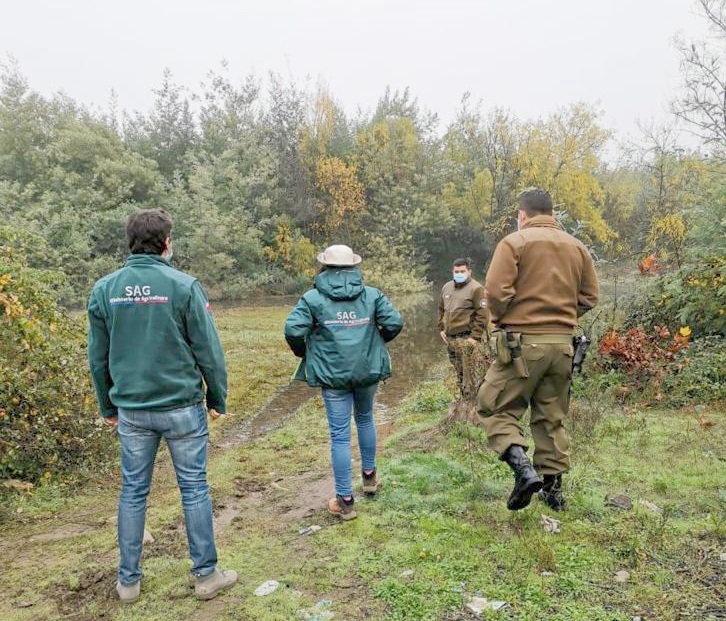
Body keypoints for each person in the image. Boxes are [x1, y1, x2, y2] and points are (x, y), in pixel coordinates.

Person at [87, 209, 237, 604]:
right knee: (193, 488)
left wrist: (107, 404)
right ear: (167, 243)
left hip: (132, 411)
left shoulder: (105, 290)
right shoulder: (184, 285)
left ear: (130, 243)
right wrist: (216, 398)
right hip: (182, 408)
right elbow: (209, 350)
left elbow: (97, 357)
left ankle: (128, 582)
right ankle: (206, 576)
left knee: (133, 491)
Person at [476, 189, 599, 512]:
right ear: (553, 212)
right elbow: (589, 296)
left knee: (495, 407)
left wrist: (503, 320)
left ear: (522, 214)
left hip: (522, 344)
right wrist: (563, 319)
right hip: (563, 346)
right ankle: (553, 492)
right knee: (551, 416)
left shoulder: (515, 242)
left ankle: (523, 470)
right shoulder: (578, 247)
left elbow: (496, 291)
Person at [284, 244, 403, 520]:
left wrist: (304, 351)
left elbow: (292, 330)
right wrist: (376, 343)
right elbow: (395, 322)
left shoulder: (312, 299)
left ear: (324, 267)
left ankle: (345, 502)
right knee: (365, 418)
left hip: (332, 376)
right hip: (366, 371)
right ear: (353, 266)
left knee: (339, 434)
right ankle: (370, 479)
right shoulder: (372, 295)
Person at [438, 258, 489, 392]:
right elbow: (441, 309)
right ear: (452, 271)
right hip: (450, 339)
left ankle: (472, 404)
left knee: (469, 375)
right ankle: (463, 401)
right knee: (458, 371)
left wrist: (475, 337)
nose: (459, 273)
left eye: (462, 271)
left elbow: (483, 314)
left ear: (469, 271)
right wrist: (441, 329)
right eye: (456, 271)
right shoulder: (446, 287)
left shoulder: (476, 288)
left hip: (467, 339)